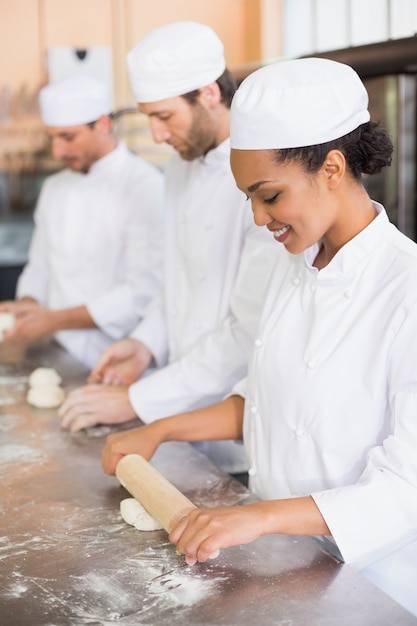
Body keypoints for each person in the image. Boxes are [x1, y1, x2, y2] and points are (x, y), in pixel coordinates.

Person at [100, 57, 417, 616]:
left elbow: (404, 490)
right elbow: (266, 402)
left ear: (333, 168)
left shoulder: (405, 289)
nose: (256, 217)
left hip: (371, 588)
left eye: (269, 195)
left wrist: (258, 516)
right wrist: (161, 431)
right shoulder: (290, 268)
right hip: (285, 570)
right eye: (247, 197)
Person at [58, 22, 279, 477]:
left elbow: (249, 331)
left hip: (237, 429)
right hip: (177, 415)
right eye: (148, 118)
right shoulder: (180, 166)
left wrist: (138, 400)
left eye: (163, 116)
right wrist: (144, 343)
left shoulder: (266, 179)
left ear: (209, 94)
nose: (156, 135)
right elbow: (176, 279)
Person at [0, 75, 164, 369]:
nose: (57, 152)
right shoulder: (54, 187)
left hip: (119, 357)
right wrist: (27, 307)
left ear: (102, 124)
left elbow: (142, 291)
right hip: (57, 350)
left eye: (68, 137)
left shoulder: (144, 186)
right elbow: (40, 266)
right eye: (52, 137)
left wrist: (52, 320)